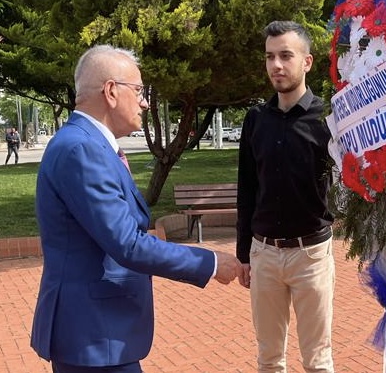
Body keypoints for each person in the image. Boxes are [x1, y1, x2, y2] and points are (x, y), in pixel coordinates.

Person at [31, 45, 241, 373]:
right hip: (93, 337)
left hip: (99, 333)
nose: (145, 103)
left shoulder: (90, 145)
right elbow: (128, 243)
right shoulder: (81, 150)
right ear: (111, 91)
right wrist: (210, 263)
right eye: (140, 91)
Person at [236, 20, 335, 373]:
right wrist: (243, 253)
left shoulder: (328, 119)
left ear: (307, 62)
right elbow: (247, 187)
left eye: (285, 56)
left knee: (317, 361)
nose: (276, 65)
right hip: (263, 254)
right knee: (269, 360)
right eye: (269, 57)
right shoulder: (255, 119)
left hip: (312, 255)